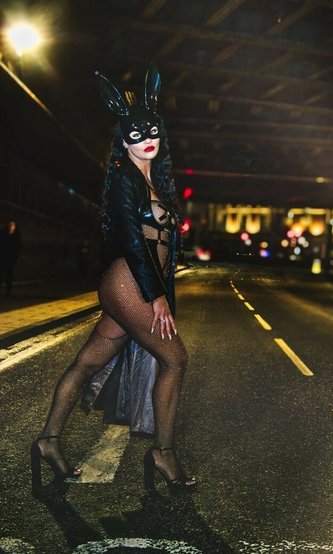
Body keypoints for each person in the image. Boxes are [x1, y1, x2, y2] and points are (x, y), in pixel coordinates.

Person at [30, 63, 196, 493]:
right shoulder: (124, 178)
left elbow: (164, 253)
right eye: (136, 134)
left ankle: (48, 441)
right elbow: (133, 240)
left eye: (152, 131)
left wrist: (163, 294)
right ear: (124, 141)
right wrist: (155, 297)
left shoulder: (155, 181)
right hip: (128, 282)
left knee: (88, 363)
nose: (147, 139)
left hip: (136, 285)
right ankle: (163, 453)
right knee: (175, 359)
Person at [0, 219, 22, 296]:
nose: (11, 227)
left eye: (12, 225)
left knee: (9, 275)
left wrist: (15, 258)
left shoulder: (16, 236)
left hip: (10, 260)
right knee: (1, 274)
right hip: (3, 258)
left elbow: (18, 248)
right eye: (10, 225)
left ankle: (8, 291)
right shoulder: (3, 234)